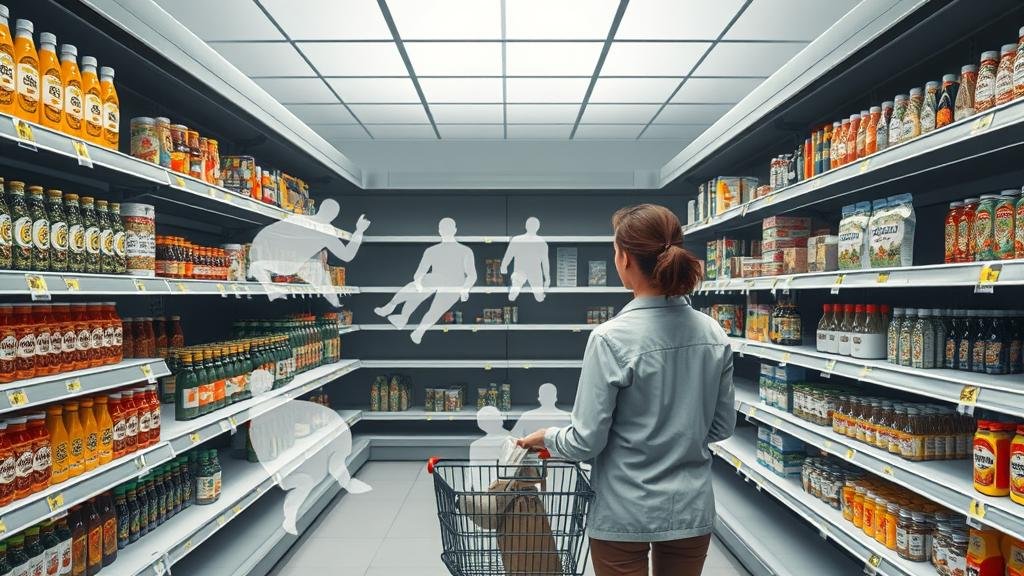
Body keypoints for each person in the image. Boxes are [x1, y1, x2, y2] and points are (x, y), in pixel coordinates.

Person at [517, 204, 735, 576]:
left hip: (624, 511)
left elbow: (586, 442)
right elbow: (721, 428)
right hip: (690, 508)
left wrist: (547, 437)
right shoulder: (713, 334)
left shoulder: (610, 338)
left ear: (625, 259)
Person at [248, 199, 370, 307]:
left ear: (320, 209)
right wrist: (359, 231)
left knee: (256, 266)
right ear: (334, 217)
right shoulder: (327, 230)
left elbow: (270, 233)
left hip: (266, 257)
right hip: (289, 265)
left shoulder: (298, 218)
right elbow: (347, 255)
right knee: (317, 270)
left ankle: (270, 289)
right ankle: (334, 301)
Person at [373, 217, 477, 344]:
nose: (446, 231)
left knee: (435, 308)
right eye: (444, 229)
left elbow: (472, 275)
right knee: (419, 289)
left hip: (454, 284)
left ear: (454, 230)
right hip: (437, 280)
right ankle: (396, 311)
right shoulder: (432, 251)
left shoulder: (465, 251)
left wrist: (465, 289)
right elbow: (419, 273)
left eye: (448, 229)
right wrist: (418, 283)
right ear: (439, 231)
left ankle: (414, 327)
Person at [501, 217, 549, 302]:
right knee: (539, 298)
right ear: (538, 228)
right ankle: (516, 288)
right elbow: (545, 263)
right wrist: (547, 279)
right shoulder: (541, 241)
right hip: (534, 272)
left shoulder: (517, 239)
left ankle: (515, 288)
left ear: (526, 226)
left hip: (520, 270)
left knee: (514, 293)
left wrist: (503, 267)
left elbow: (508, 255)